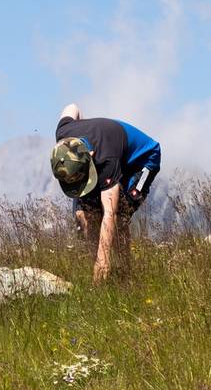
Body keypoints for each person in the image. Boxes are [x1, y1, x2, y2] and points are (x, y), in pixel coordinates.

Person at [50, 104, 161, 283]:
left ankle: (125, 275)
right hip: (99, 157)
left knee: (119, 216)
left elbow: (110, 213)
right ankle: (97, 274)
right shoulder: (63, 132)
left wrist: (103, 261)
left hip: (142, 161)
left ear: (90, 156)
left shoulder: (105, 159)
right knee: (83, 215)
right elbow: (73, 107)